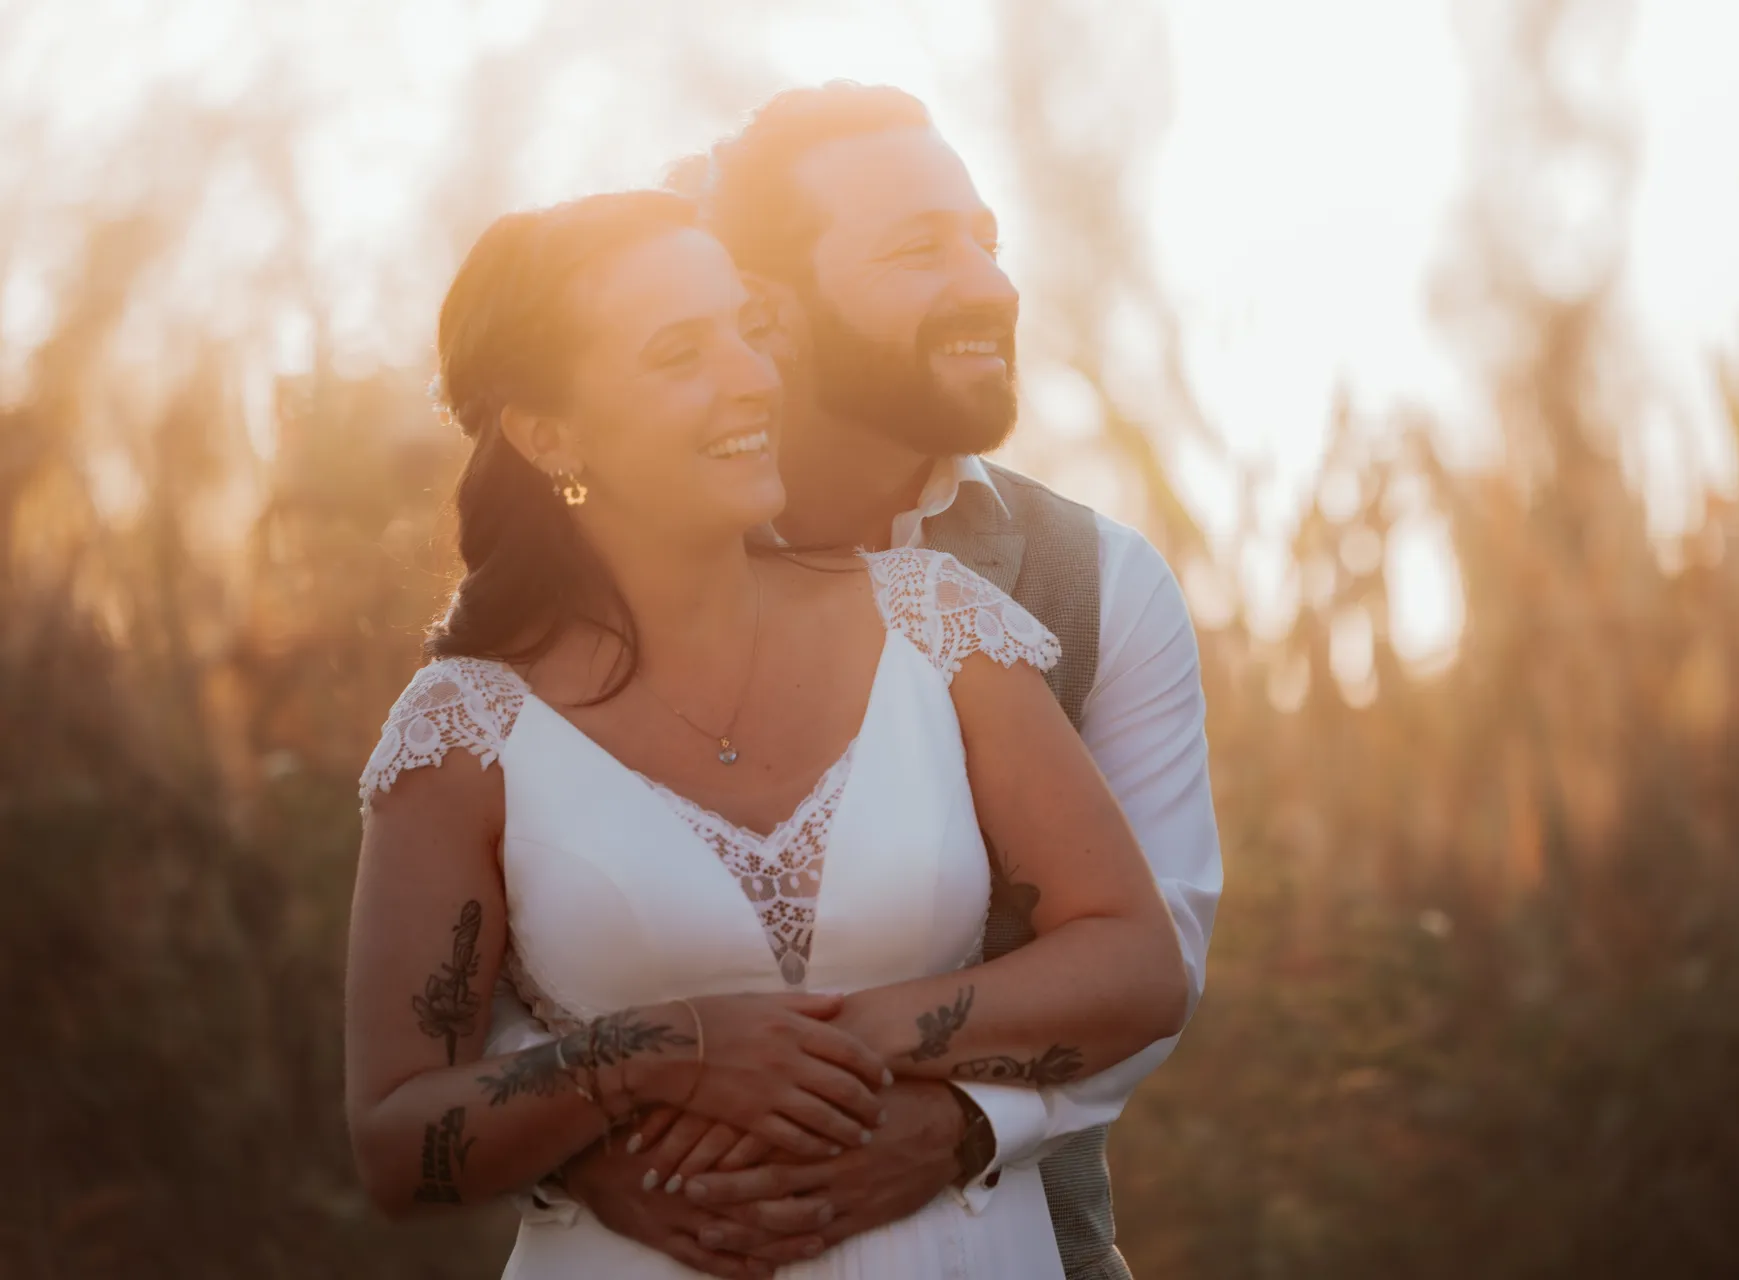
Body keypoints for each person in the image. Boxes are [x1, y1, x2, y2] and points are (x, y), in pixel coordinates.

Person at [344, 187, 1189, 1278]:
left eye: (747, 327)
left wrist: (856, 1037)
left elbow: (1137, 964)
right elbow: (396, 1136)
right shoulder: (464, 729)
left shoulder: (936, 625)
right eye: (679, 351)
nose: (752, 374)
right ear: (549, 431)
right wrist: (655, 1052)